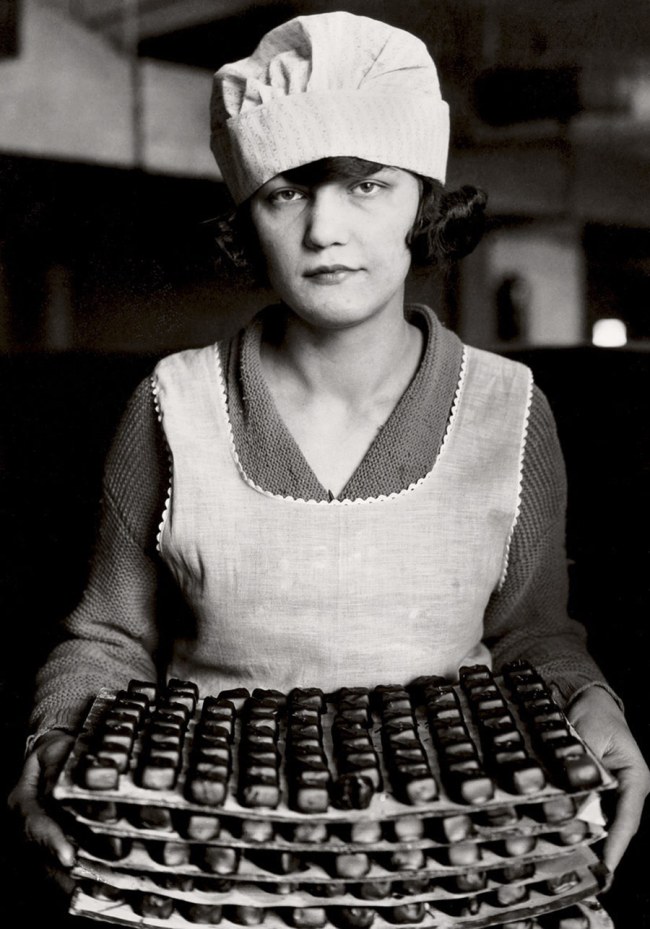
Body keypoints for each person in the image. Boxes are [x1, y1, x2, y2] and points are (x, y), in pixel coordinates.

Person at [9, 8, 649, 900]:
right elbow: (109, 639)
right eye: (287, 192)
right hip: (211, 868)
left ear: (422, 199)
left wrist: (591, 699)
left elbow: (532, 633)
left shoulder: (508, 410)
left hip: (456, 868)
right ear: (248, 214)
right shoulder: (172, 407)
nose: (324, 230)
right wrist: (54, 742)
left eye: (367, 186)